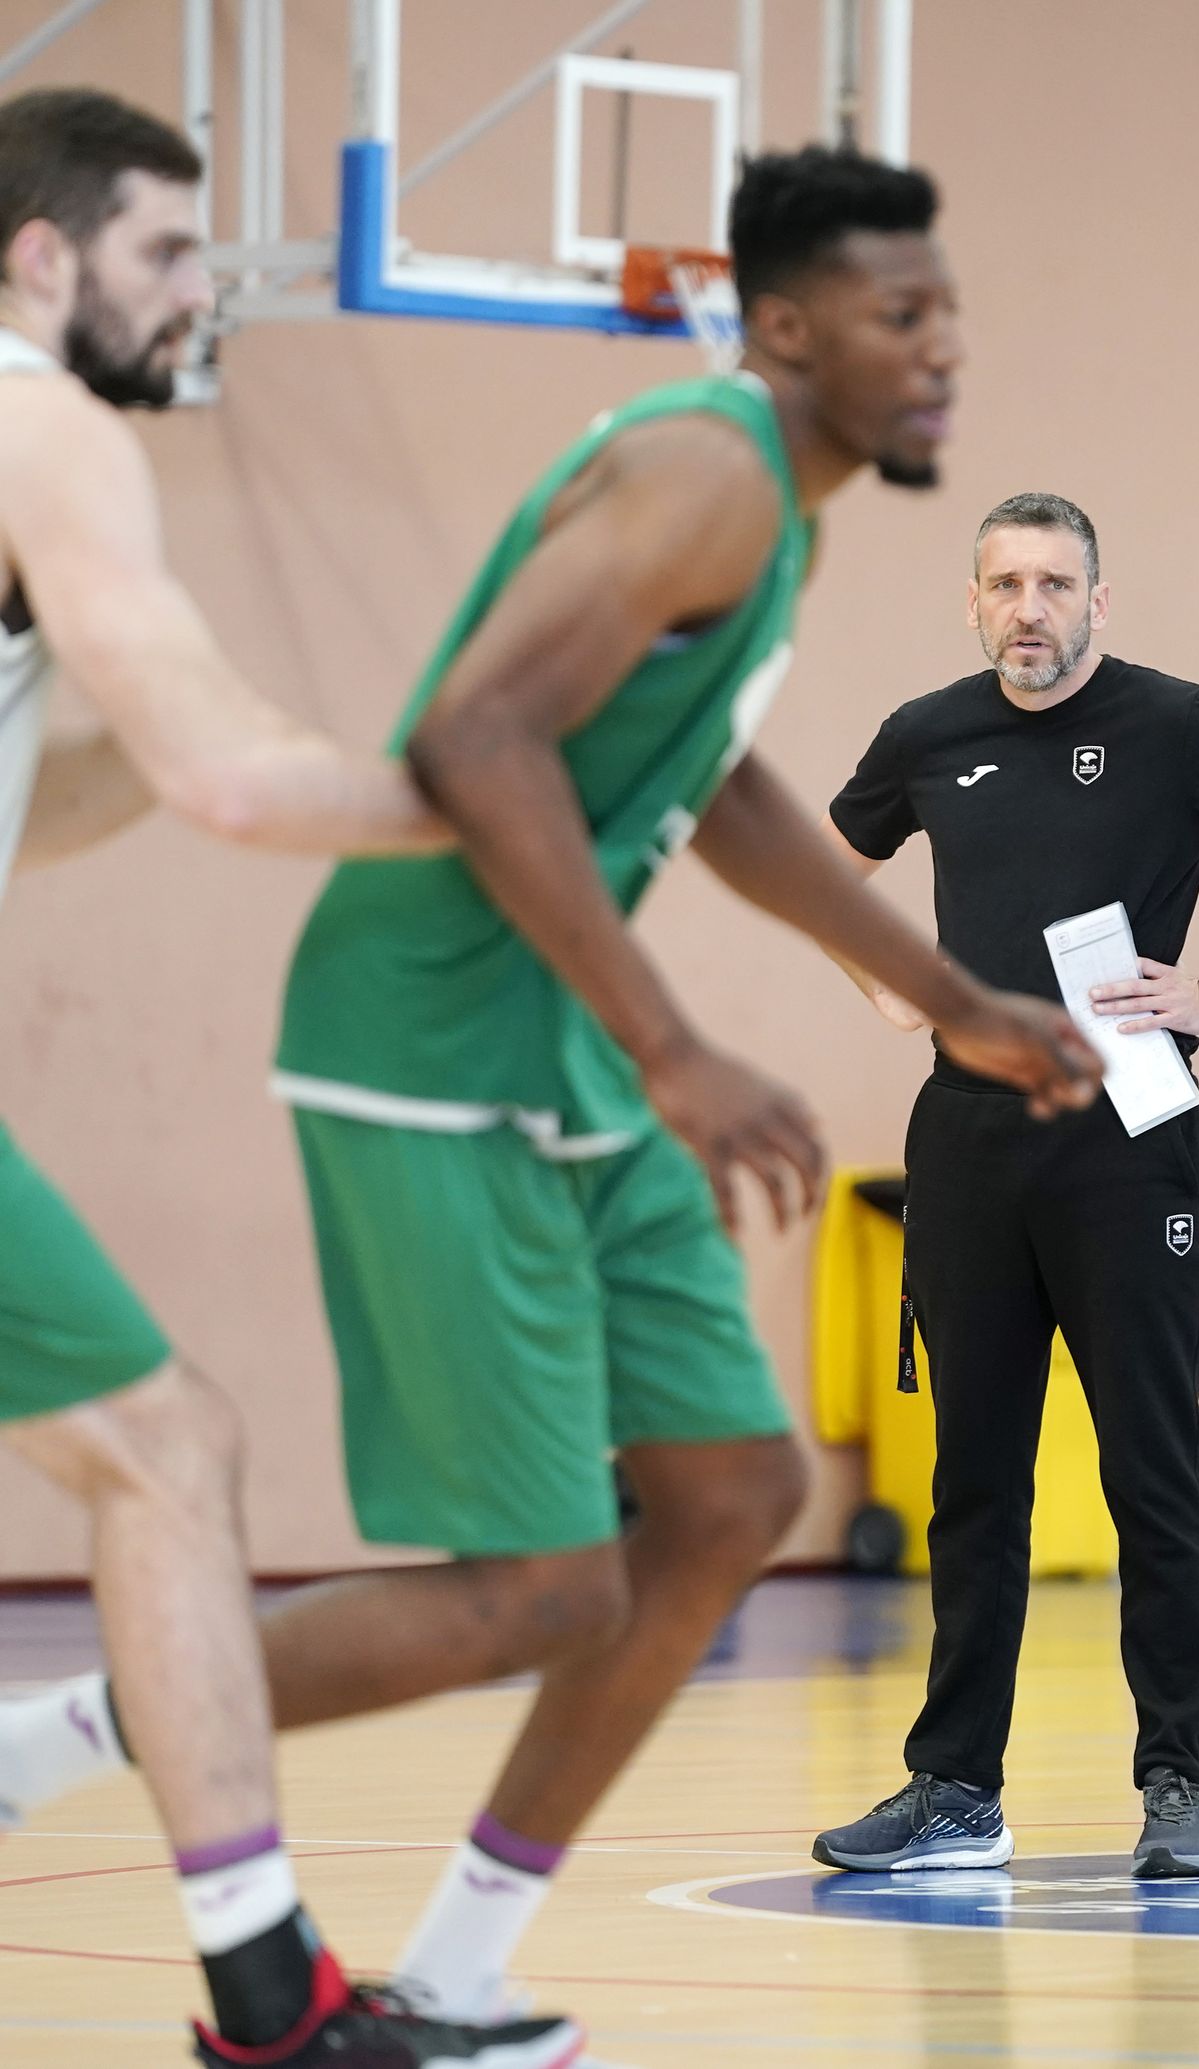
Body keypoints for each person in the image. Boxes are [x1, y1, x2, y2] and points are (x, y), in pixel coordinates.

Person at [0, 147, 1103, 2025]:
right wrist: (677, 1046)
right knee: (543, 1587)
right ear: (785, 328)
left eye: (951, 315)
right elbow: (476, 732)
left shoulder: (777, 517)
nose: (943, 351)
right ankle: (69, 1742)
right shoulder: (703, 472)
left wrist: (953, 997)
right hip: (433, 1041)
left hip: (559, 1041)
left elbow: (705, 777)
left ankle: (454, 1975)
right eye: (901, 314)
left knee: (735, 1497)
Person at [0, 87, 585, 2069]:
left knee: (155, 1449)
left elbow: (66, 795)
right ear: (42, 256)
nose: (200, 295)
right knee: (165, 1454)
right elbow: (233, 782)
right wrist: (498, 800)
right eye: (169, 252)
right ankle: (274, 2005)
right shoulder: (45, 425)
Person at [812, 491, 1199, 1881]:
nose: (1031, 608)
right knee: (975, 1477)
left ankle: (1176, 1780)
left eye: (1056, 583)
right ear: (973, 602)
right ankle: (956, 1791)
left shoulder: (1175, 725)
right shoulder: (926, 736)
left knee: (1152, 1466)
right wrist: (895, 984)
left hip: (1127, 1141)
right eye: (1006, 584)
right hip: (969, 1140)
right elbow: (823, 875)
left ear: (1098, 600)